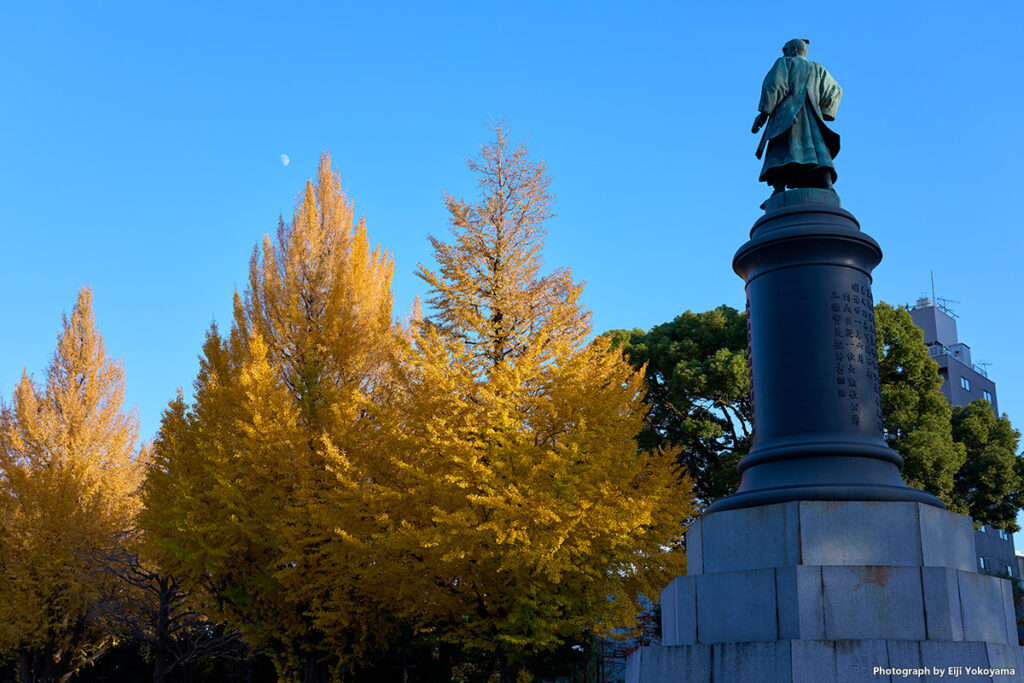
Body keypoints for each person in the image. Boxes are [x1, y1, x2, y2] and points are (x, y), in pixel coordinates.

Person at [752, 39, 842, 196]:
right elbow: (835, 89)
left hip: (786, 115)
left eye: (785, 50)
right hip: (812, 117)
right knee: (817, 150)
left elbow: (775, 86)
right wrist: (825, 111)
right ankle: (827, 185)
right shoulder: (817, 68)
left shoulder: (784, 62)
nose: (783, 53)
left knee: (781, 149)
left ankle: (778, 190)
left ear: (793, 49)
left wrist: (764, 113)